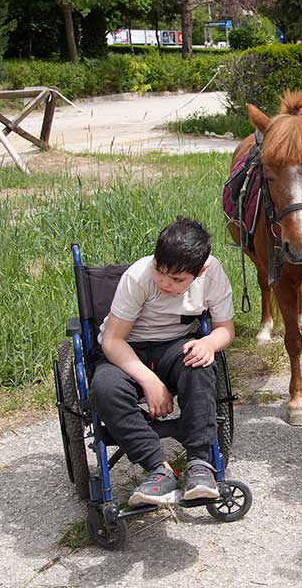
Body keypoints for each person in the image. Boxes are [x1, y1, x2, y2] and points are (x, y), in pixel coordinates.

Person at [92, 217, 236, 507]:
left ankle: (199, 463)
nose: (165, 283)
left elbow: (226, 329)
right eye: (160, 271)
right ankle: (158, 468)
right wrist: (148, 380)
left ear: (201, 271)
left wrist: (209, 343)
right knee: (104, 388)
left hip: (173, 345)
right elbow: (113, 341)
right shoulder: (139, 277)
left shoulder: (213, 273)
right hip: (127, 348)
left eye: (177, 280)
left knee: (201, 363)